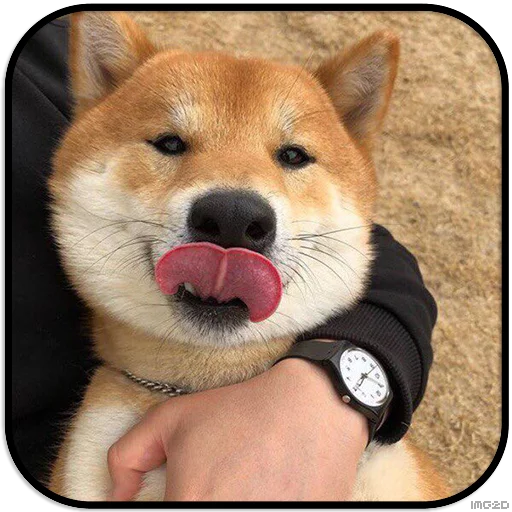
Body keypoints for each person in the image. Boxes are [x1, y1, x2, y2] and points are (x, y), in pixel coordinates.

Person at [12, 17, 436, 500]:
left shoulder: (33, 62)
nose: (235, 205)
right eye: (171, 143)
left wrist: (333, 386)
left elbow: (374, 250)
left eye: (293, 156)